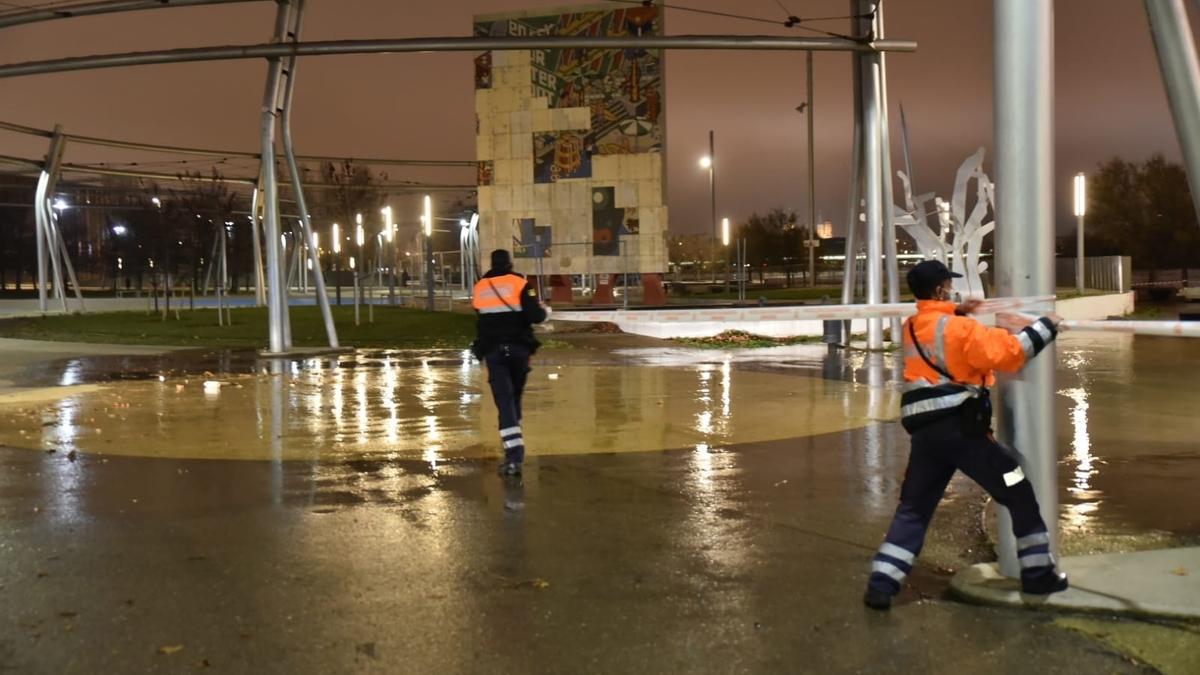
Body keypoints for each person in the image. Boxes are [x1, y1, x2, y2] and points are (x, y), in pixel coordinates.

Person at [863, 259, 1069, 611]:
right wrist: (1047, 327)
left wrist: (958, 310)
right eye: (948, 285)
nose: (952, 289)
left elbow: (936, 328)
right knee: (1018, 490)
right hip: (963, 431)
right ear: (941, 288)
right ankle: (1038, 574)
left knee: (913, 509)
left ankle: (882, 584)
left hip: (926, 435)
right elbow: (1009, 353)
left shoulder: (912, 325)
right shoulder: (960, 330)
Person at [471, 249, 549, 476]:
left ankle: (513, 455)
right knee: (514, 398)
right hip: (518, 350)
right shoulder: (521, 283)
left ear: (492, 263)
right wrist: (545, 311)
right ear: (510, 264)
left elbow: (480, 314)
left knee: (504, 401)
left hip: (493, 351)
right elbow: (535, 316)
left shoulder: (480, 287)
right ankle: (515, 446)